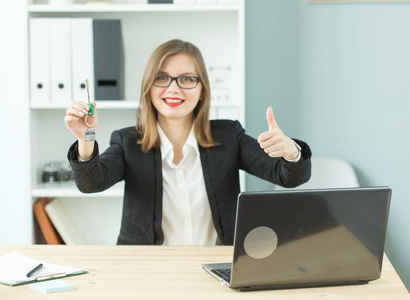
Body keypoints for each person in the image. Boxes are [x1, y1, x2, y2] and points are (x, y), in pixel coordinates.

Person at [65, 39, 311, 246]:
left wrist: (291, 151)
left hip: (217, 269)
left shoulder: (228, 136)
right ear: (148, 87)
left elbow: (289, 177)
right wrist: (86, 137)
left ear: (202, 89)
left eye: (186, 79)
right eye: (162, 77)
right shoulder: (127, 141)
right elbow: (91, 183)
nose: (173, 89)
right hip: (148, 270)